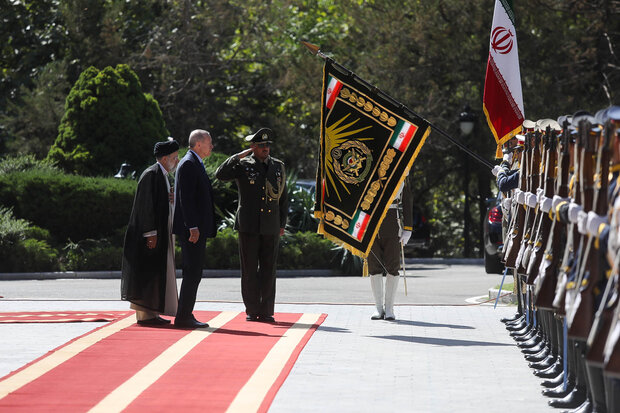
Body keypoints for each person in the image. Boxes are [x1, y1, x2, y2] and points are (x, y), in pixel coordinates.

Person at [215, 127, 288, 322]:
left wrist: (282, 223)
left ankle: (266, 311)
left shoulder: (278, 166)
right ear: (253, 147)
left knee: (268, 269)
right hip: (249, 225)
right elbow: (220, 174)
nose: (266, 149)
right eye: (261, 145)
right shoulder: (243, 165)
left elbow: (283, 198)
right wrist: (238, 156)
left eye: (267, 145)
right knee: (249, 270)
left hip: (271, 225)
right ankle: (252, 309)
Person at [121, 138, 180, 326]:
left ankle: (153, 312)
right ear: (164, 159)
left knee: (155, 273)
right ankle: (145, 316)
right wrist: (151, 234)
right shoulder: (151, 174)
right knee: (147, 272)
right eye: (174, 157)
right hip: (149, 236)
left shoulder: (161, 174)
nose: (176, 161)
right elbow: (145, 207)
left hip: (159, 234)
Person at [172, 129, 216, 328]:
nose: (212, 146)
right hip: (192, 230)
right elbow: (186, 199)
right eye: (209, 143)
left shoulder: (195, 161)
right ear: (198, 144)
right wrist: (193, 226)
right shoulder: (189, 163)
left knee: (194, 272)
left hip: (195, 228)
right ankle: (183, 317)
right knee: (192, 272)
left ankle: (185, 314)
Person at [368, 176, 413, 321]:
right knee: (374, 266)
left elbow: (406, 200)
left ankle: (389, 308)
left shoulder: (400, 170)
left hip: (392, 223)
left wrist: (408, 228)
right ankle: (378, 307)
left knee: (392, 266)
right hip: (371, 224)